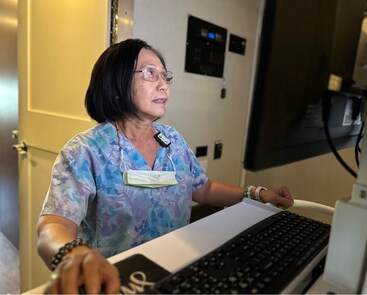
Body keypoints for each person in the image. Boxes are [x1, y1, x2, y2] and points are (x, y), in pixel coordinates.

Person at [37, 38, 294, 294]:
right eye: (150, 73)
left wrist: (257, 194)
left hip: (176, 273)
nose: (164, 86)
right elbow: (53, 225)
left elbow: (203, 189)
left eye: (165, 76)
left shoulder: (173, 141)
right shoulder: (85, 151)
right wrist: (72, 254)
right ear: (116, 82)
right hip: (115, 283)